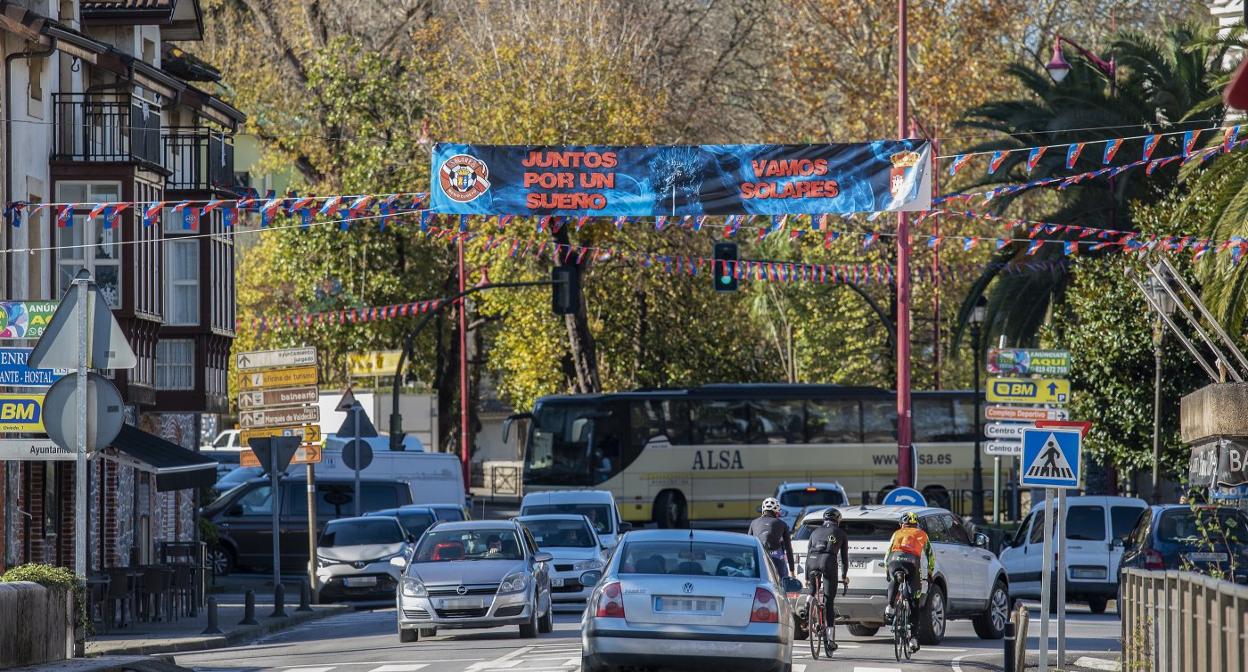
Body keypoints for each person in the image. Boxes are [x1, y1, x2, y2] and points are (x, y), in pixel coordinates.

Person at [884, 512, 935, 653]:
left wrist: (887, 571)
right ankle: (913, 639)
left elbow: (887, 553)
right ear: (916, 524)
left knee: (894, 579)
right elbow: (930, 555)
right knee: (914, 601)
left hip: (894, 560)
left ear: (902, 524)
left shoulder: (897, 533)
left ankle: (890, 606)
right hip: (912, 562)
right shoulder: (922, 534)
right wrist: (930, 572)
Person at [801, 507, 849, 649]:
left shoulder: (814, 532)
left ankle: (807, 604)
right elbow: (844, 558)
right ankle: (830, 640)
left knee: (812, 590)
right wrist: (844, 576)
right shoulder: (840, 532)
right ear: (838, 520)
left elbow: (808, 553)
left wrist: (806, 577)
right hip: (828, 561)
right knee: (829, 601)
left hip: (812, 561)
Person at [749, 497, 794, 580]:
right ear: (777, 511)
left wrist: (748, 564)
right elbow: (788, 548)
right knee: (783, 580)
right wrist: (792, 570)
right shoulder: (782, 524)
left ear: (763, 509)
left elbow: (748, 543)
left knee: (755, 578)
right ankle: (783, 584)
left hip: (759, 554)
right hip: (775, 555)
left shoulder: (754, 522)